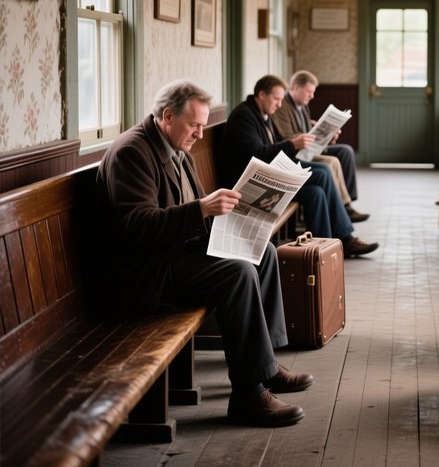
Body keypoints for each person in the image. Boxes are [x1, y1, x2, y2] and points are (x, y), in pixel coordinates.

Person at [96, 79, 313, 427]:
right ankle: (248, 395)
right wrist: (202, 210)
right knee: (238, 273)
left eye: (202, 125)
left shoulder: (176, 148)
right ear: (167, 116)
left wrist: (240, 223)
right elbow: (139, 226)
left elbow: (193, 214)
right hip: (146, 273)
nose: (200, 133)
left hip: (177, 255)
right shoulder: (132, 152)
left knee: (264, 252)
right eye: (194, 125)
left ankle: (266, 366)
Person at [221, 75, 378, 258]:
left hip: (268, 173)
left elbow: (271, 148)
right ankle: (345, 238)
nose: (280, 104)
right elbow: (257, 155)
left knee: (316, 193)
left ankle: (324, 251)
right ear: (262, 94)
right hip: (250, 186)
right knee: (323, 172)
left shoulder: (262, 113)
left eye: (281, 99)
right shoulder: (244, 116)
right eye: (277, 99)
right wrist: (292, 145)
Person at [272, 69, 368, 223]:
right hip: (296, 153)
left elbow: (303, 129)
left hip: (309, 146)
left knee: (345, 151)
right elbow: (287, 137)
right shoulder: (282, 106)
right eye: (309, 92)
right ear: (295, 87)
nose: (312, 96)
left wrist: (324, 132)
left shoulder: (301, 104)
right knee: (331, 162)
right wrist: (315, 135)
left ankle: (347, 203)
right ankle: (344, 208)